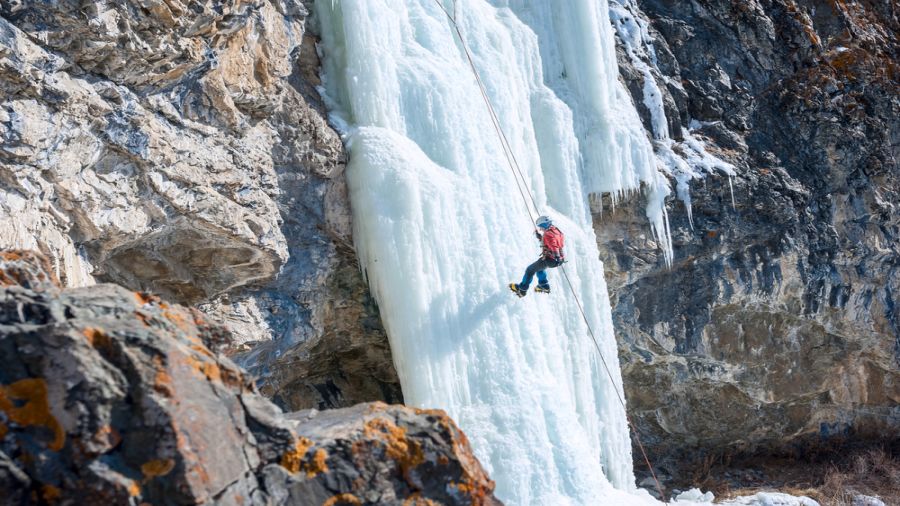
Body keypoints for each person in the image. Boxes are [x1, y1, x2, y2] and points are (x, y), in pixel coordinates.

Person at [510, 215, 565, 297]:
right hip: (558, 259)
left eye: (541, 227)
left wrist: (556, 256)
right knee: (539, 269)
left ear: (544, 225)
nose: (540, 229)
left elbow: (553, 245)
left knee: (530, 270)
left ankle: (522, 290)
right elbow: (552, 242)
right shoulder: (557, 231)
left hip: (551, 259)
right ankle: (544, 285)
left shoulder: (547, 234)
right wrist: (540, 237)